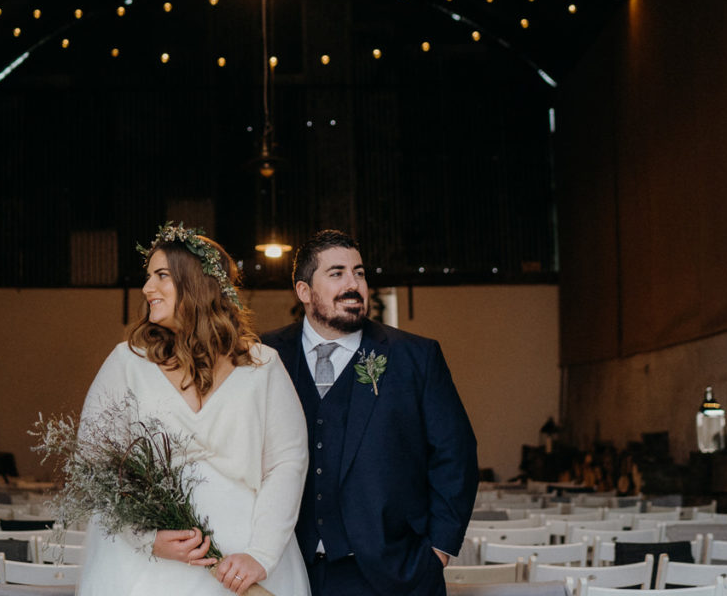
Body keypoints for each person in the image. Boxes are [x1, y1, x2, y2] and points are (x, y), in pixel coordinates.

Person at [77, 224, 312, 596]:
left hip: (243, 566)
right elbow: (93, 464)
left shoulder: (263, 366)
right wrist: (145, 538)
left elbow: (287, 463)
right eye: (148, 276)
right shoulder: (127, 363)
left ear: (197, 283)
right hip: (146, 570)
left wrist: (260, 555)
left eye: (161, 276)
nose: (146, 288)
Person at [261, 229, 478, 596]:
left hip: (393, 572)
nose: (354, 284)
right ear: (303, 292)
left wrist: (437, 551)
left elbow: (455, 455)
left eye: (359, 272)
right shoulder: (263, 355)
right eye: (337, 273)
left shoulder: (415, 357)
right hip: (288, 572)